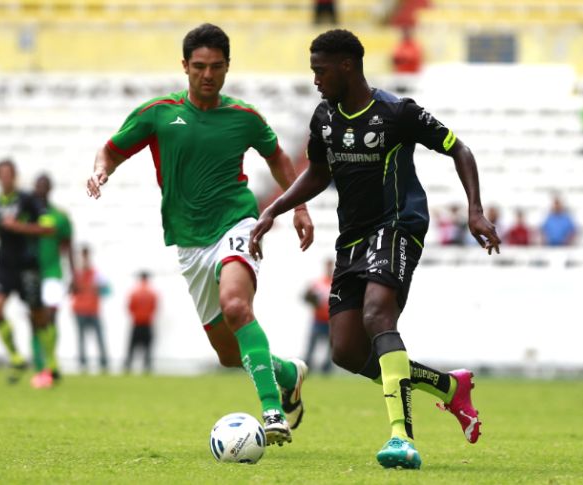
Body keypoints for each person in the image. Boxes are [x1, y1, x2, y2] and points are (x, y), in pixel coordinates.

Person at [249, 29, 501, 469]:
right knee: (345, 350)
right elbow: (317, 173)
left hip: (399, 223)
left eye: (320, 71)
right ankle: (447, 388)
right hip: (352, 237)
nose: (315, 80)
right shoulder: (324, 118)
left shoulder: (396, 112)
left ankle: (401, 438)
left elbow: (459, 149)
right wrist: (275, 209)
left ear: (347, 65)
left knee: (377, 316)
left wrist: (474, 211)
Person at [85, 23, 313, 446]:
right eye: (200, 67)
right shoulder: (159, 113)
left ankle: (272, 410)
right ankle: (286, 373)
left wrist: (297, 205)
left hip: (238, 222)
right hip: (190, 241)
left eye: (217, 67)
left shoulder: (243, 117)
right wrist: (102, 170)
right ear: (185, 66)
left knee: (235, 305)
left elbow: (279, 158)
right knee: (228, 355)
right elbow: (112, 149)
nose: (208, 75)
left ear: (228, 68)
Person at [0, 159, 55, 384]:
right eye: (2, 174)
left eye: (9, 174)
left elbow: (48, 227)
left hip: (26, 264)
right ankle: (15, 357)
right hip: (4, 265)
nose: (5, 178)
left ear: (14, 176)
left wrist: (20, 227)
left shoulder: (28, 201)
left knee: (38, 315)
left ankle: (51, 363)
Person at [30, 173, 74, 386]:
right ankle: (41, 367)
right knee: (35, 320)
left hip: (53, 272)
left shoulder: (59, 216)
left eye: (44, 186)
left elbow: (69, 245)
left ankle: (52, 363)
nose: (41, 190)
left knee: (50, 316)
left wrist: (74, 274)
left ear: (50, 189)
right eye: (38, 186)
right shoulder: (27, 215)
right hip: (31, 273)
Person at [71, 245, 110, 372]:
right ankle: (82, 362)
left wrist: (98, 288)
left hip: (93, 309)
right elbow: (71, 290)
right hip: (80, 310)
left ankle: (103, 361)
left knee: (99, 337)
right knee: (81, 337)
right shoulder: (76, 274)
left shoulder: (96, 274)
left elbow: (107, 290)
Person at [124, 271, 160, 374]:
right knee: (148, 348)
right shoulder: (152, 293)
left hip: (137, 323)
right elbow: (154, 307)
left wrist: (136, 315)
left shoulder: (134, 292)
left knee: (131, 348)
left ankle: (128, 367)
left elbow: (130, 307)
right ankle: (147, 367)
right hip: (147, 323)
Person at [302, 259, 334, 373]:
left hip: (331, 321)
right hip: (318, 320)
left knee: (330, 349)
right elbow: (306, 297)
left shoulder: (336, 283)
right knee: (311, 347)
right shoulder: (318, 283)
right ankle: (306, 368)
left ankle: (327, 369)